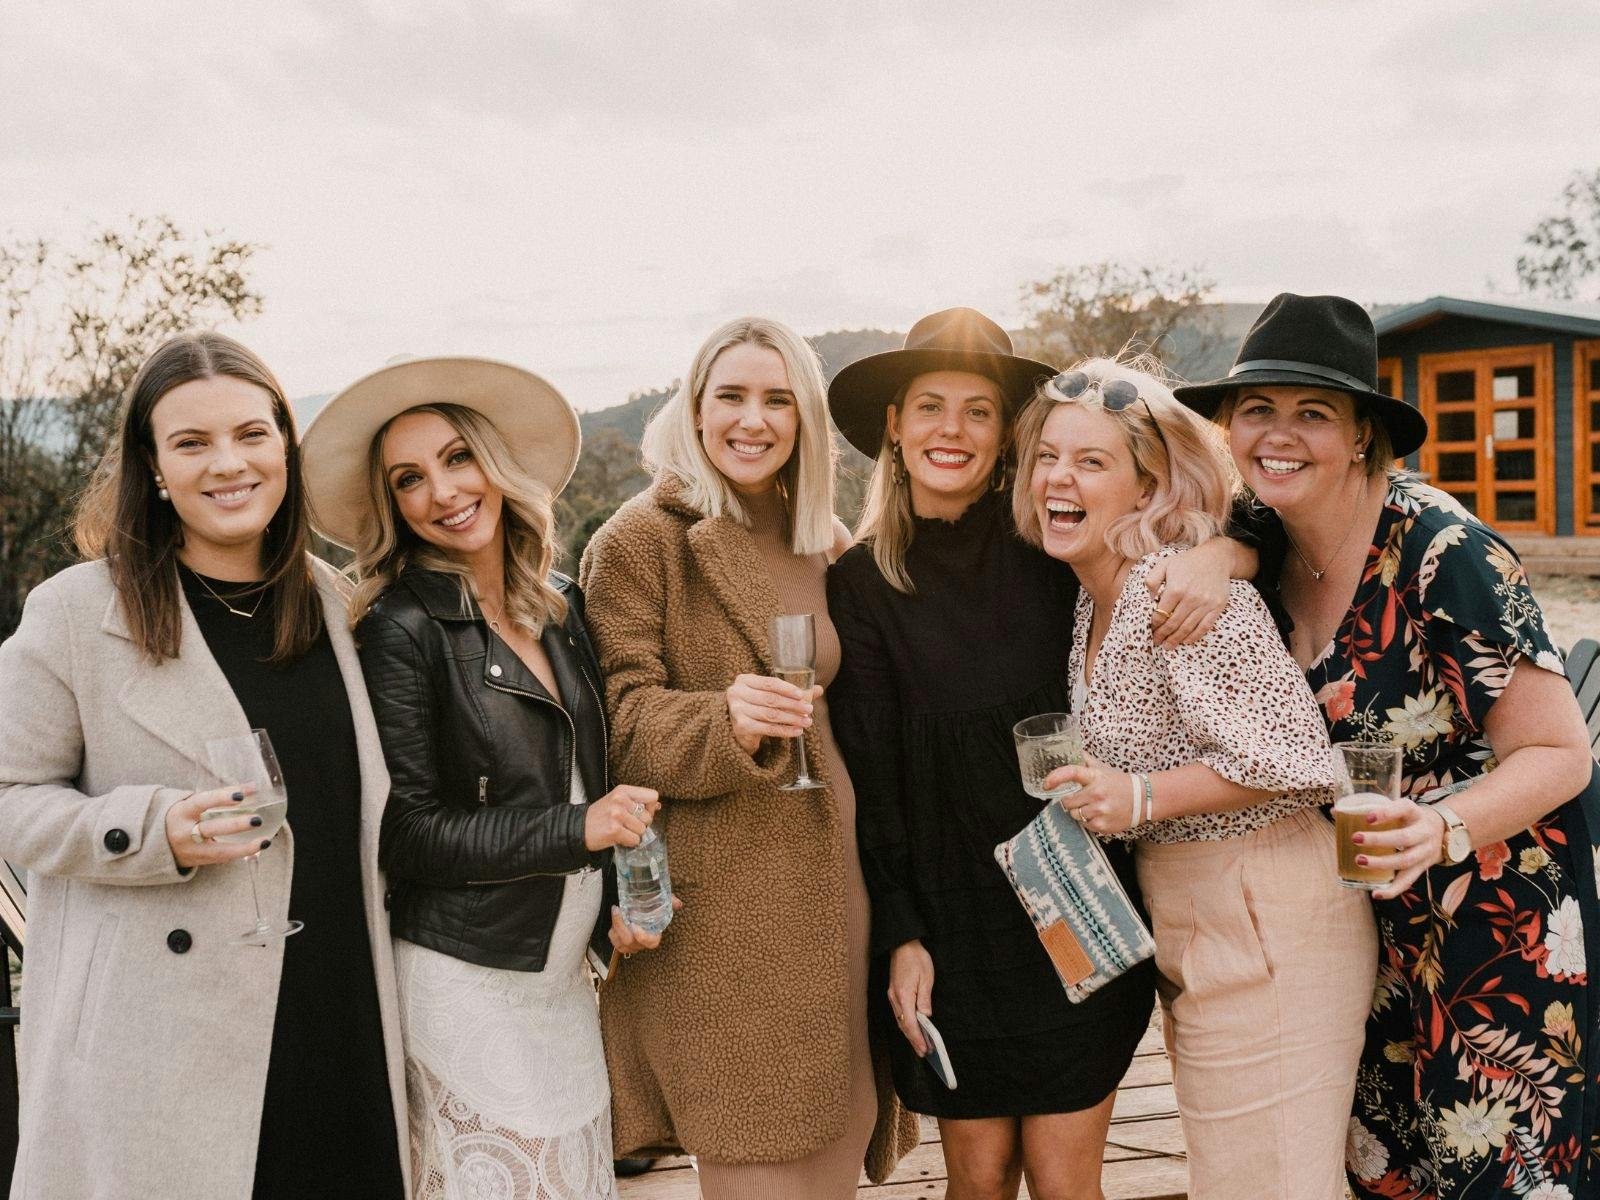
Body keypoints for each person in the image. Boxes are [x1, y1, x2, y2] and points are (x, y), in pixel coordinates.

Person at [1175, 293, 1600, 1200]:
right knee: (1385, 1174)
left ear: (1364, 434)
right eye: (1258, 409)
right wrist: (1219, 557)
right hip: (1367, 938)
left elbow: (1562, 754)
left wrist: (1439, 829)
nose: (1279, 435)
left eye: (1314, 413)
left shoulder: (1445, 554)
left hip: (1497, 930)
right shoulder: (1267, 541)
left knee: (1494, 1178)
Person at [824, 308, 1248, 1199]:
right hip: (950, 926)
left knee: (1065, 1185)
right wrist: (902, 935)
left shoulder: (1053, 539)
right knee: (976, 1185)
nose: (953, 429)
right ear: (894, 428)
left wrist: (1228, 556)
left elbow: (1207, 510)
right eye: (930, 406)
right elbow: (876, 780)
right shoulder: (860, 584)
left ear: (1004, 434)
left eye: (978, 410)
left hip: (1078, 907)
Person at [0, 333, 408, 1199]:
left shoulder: (335, 602)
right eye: (192, 443)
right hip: (165, 1037)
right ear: (151, 466)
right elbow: (8, 795)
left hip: (341, 1014)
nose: (229, 463)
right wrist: (153, 829)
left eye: (252, 435)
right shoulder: (77, 611)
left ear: (285, 450)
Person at [301, 356, 665, 1200]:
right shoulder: (399, 629)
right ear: (392, 506)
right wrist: (579, 831)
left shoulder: (563, 606)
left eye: (457, 458)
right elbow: (408, 831)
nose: (442, 491)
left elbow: (584, 773)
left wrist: (617, 905)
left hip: (561, 981)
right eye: (409, 479)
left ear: (495, 466)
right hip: (464, 980)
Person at [1014, 354, 1378, 1200]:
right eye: (1047, 456)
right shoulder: (1091, 593)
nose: (1058, 478)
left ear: (1146, 490)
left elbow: (1294, 756)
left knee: (1275, 1184)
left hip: (1267, 910)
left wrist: (1138, 797)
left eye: (1092, 461)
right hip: (1193, 916)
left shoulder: (1173, 590)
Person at [579, 317, 919, 1198]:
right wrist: (720, 721)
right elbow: (615, 720)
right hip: (731, 914)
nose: (752, 419)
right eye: (731, 395)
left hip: (840, 885)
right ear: (693, 410)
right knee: (757, 1163)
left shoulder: (824, 538)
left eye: (777, 399)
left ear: (804, 417)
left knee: (836, 1152)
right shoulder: (638, 539)